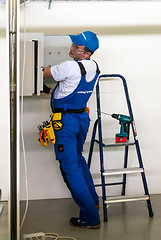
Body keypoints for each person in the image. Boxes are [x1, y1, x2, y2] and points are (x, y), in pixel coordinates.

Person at [42, 31, 100, 229]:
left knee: (70, 167)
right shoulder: (94, 66)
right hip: (81, 118)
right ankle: (94, 202)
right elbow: (69, 88)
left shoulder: (68, 66)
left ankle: (90, 218)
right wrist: (50, 91)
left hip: (65, 122)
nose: (71, 49)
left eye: (75, 47)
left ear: (85, 52)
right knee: (78, 159)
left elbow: (42, 72)